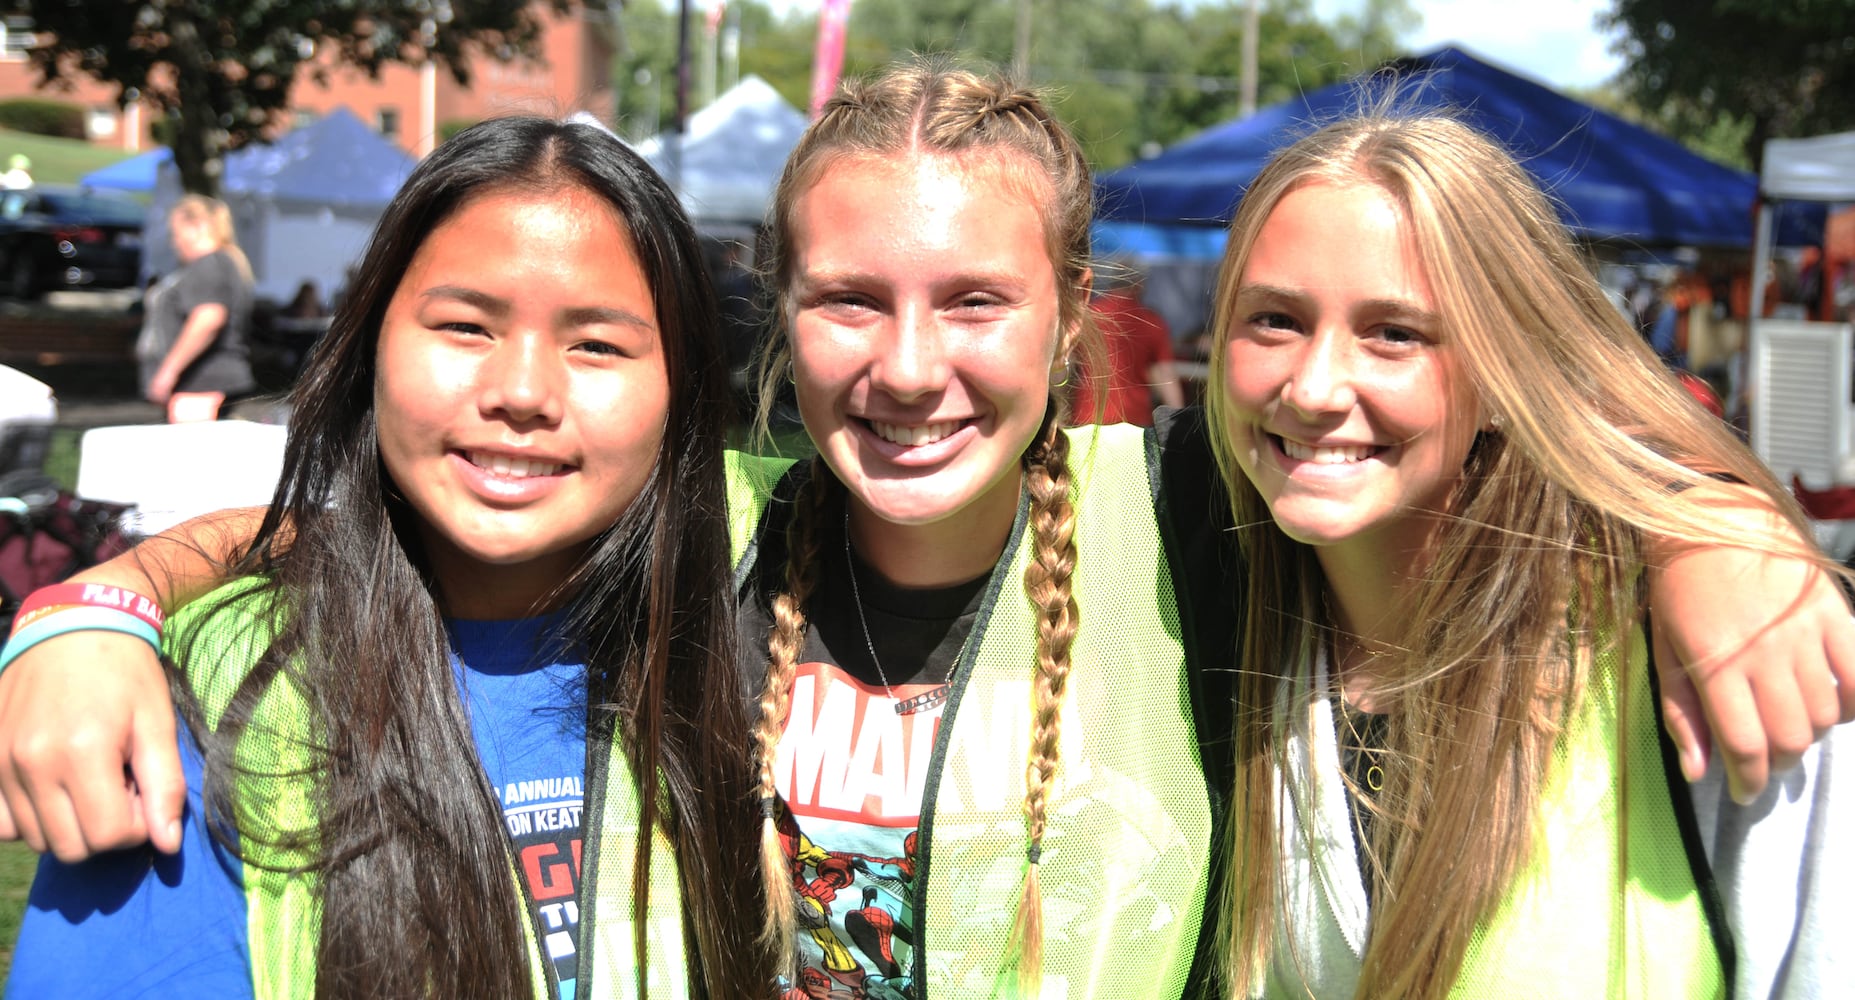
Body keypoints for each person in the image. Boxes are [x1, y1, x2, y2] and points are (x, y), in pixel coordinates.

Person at [1, 59, 1853, 1000]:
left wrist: (1709, 521)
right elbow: (364, 532)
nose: (907, 370)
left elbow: (1479, 422)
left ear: (1073, 319)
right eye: (842, 301)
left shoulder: (1192, 511)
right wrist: (88, 604)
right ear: (772, 324)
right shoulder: (706, 532)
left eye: (973, 302)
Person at [3, 116, 766, 998]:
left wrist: (106, 590)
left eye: (596, 344)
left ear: (683, 386)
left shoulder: (774, 575)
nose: (520, 394)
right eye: (464, 326)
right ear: (370, 345)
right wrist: (93, 609)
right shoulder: (207, 701)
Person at [1202, 113, 1846, 999]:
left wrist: (1711, 529)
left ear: (1506, 378)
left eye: (1394, 332)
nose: (1311, 389)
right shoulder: (1190, 571)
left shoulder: (1722, 649)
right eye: (1272, 320)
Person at [144, 195, 258, 420]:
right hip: (207, 384)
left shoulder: (209, 265)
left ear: (197, 226)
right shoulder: (224, 262)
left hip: (203, 385)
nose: (174, 242)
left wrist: (168, 372)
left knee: (194, 454)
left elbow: (209, 318)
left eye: (176, 233)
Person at [1070, 261, 1185, 425]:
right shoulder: (1151, 322)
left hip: (1088, 420)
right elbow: (1166, 375)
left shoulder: (1089, 317)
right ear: (1139, 284)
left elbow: (1066, 367)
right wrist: (1178, 422)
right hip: (1133, 425)